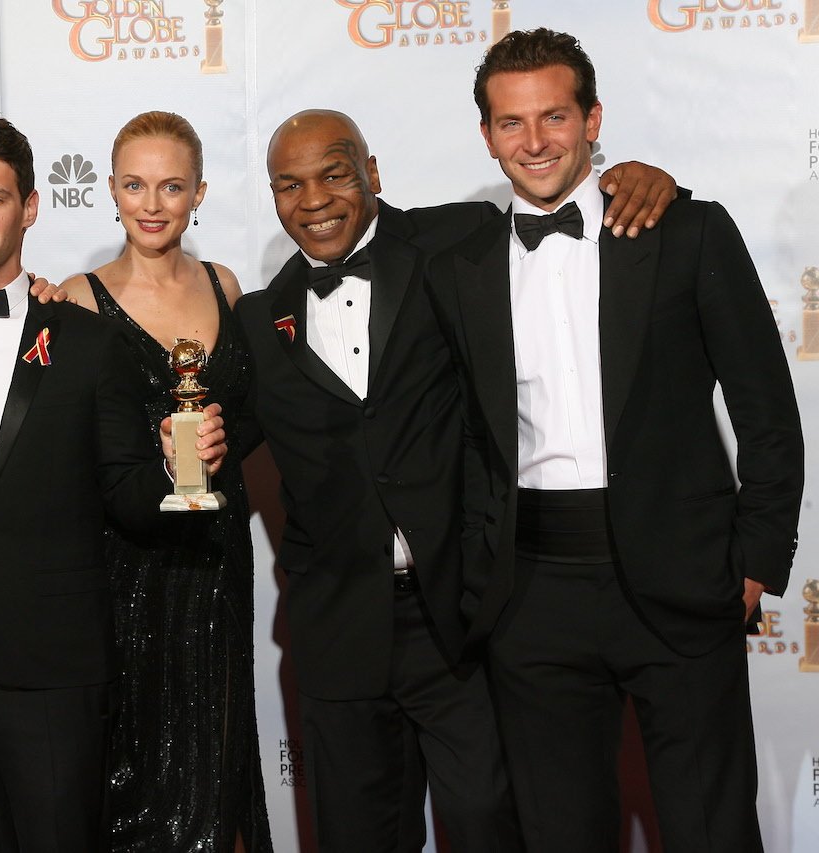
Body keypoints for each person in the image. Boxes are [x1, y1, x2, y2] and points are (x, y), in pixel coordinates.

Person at [234, 108, 678, 852]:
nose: (313, 199)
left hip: (463, 618)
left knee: (488, 823)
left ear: (372, 174)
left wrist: (636, 177)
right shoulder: (257, 319)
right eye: (289, 184)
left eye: (335, 174)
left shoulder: (460, 239)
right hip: (338, 627)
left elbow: (561, 209)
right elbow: (204, 437)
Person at [425, 28, 804, 853]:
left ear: (594, 119)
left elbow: (768, 411)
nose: (534, 141)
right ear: (486, 135)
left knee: (713, 829)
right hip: (530, 596)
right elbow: (342, 224)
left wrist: (753, 564)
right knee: (561, 835)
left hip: (683, 579)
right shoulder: (455, 261)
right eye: (512, 123)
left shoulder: (684, 229)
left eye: (555, 116)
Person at [0, 112, 227, 853]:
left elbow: (127, 496)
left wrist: (174, 467)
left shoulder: (90, 342)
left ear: (30, 207)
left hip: (55, 666)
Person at [59, 111, 271, 852]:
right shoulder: (78, 299)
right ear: (112, 190)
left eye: (171, 185)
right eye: (135, 184)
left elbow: (252, 414)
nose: (152, 203)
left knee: (215, 757)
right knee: (135, 767)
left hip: (216, 557)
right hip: (129, 566)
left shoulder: (227, 285)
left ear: (199, 192)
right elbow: (60, 446)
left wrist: (219, 442)